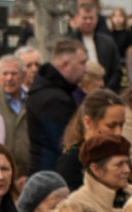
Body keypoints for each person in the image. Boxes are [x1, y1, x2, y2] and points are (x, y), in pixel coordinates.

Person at [29, 39, 89, 172]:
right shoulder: (54, 100)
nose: (86, 69)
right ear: (65, 65)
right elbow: (66, 144)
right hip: (52, 175)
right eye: (82, 63)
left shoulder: (50, 89)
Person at [0, 55, 31, 178]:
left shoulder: (34, 100)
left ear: (23, 76)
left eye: (14, 73)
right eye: (5, 74)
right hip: (2, 174)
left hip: (30, 172)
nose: (9, 78)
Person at [70, 2, 123, 92]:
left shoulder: (108, 42)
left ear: (97, 18)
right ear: (77, 18)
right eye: (85, 18)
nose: (88, 22)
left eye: (91, 18)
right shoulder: (69, 43)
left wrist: (106, 90)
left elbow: (117, 70)